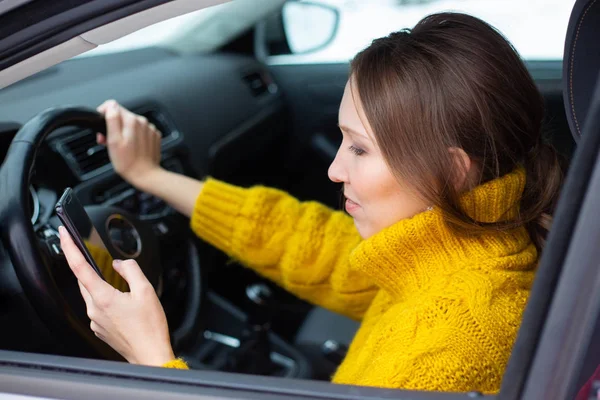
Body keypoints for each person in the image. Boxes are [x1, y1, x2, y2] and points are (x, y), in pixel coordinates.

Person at [58, 12, 564, 393]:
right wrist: (151, 176)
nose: (335, 169)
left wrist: (150, 358)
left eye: (360, 148)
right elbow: (308, 242)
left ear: (452, 171)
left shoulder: (452, 348)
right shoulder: (457, 245)